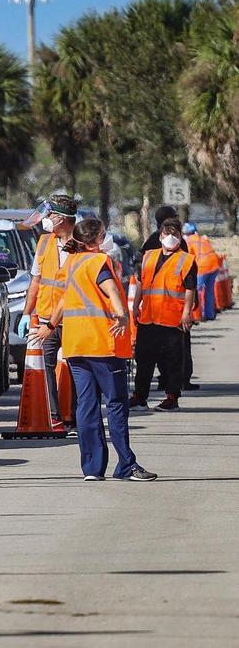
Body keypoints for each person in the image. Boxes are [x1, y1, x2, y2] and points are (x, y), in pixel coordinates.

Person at [39, 218, 156, 482]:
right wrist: (122, 316)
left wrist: (50, 325)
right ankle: (126, 465)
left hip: (76, 346)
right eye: (103, 234)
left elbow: (62, 301)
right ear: (95, 240)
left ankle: (92, 468)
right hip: (103, 345)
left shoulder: (71, 263)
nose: (107, 238)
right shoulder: (98, 262)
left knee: (87, 406)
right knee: (116, 404)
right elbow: (112, 290)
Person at [20, 194, 78, 426]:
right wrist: (27, 313)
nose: (47, 219)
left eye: (50, 215)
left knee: (77, 371)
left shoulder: (82, 245)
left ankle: (75, 416)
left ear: (61, 219)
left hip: (74, 319)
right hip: (46, 318)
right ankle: (54, 415)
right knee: (47, 367)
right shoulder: (44, 242)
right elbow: (36, 280)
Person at [130, 218, 196, 412]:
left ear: (180, 238)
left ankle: (172, 397)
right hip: (149, 317)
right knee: (143, 359)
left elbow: (190, 289)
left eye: (174, 234)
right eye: (167, 234)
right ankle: (139, 397)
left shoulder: (186, 260)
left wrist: (186, 314)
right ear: (160, 236)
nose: (170, 238)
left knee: (172, 361)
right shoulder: (148, 256)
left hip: (172, 319)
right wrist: (135, 307)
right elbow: (142, 284)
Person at [184, 222, 222, 321]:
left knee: (198, 291)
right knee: (209, 290)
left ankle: (198, 314)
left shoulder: (189, 241)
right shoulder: (202, 238)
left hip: (203, 265)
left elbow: (187, 257)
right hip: (215, 263)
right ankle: (210, 314)